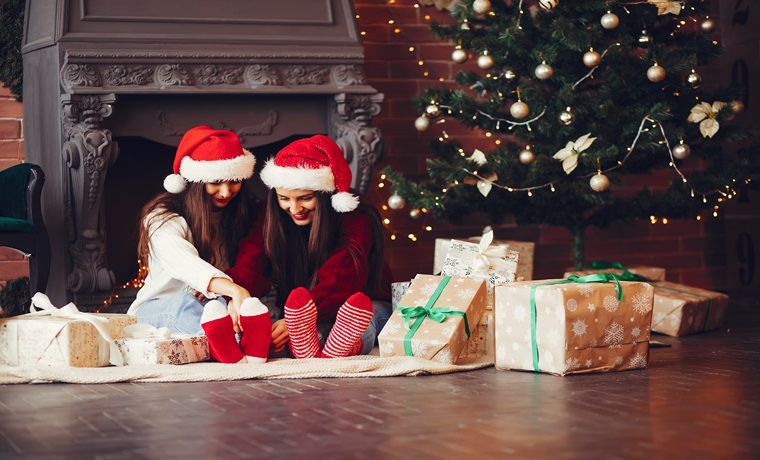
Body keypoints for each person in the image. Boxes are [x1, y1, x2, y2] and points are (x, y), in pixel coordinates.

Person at [126, 126, 271, 364]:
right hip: (156, 310)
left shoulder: (239, 216)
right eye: (215, 182)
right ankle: (241, 345)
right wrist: (234, 290)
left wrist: (233, 300)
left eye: (234, 181)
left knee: (225, 307)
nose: (226, 192)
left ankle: (238, 347)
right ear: (196, 181)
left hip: (212, 307)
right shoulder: (162, 216)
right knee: (186, 305)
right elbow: (181, 261)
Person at [253, 134, 393, 359]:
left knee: (361, 323)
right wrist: (230, 289)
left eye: (305, 198)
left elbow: (342, 278)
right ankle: (314, 347)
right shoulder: (275, 217)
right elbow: (253, 260)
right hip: (306, 313)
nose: (295, 208)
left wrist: (296, 319)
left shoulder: (354, 216)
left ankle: (347, 348)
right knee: (316, 334)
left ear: (326, 193)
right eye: (285, 198)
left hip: (363, 301)